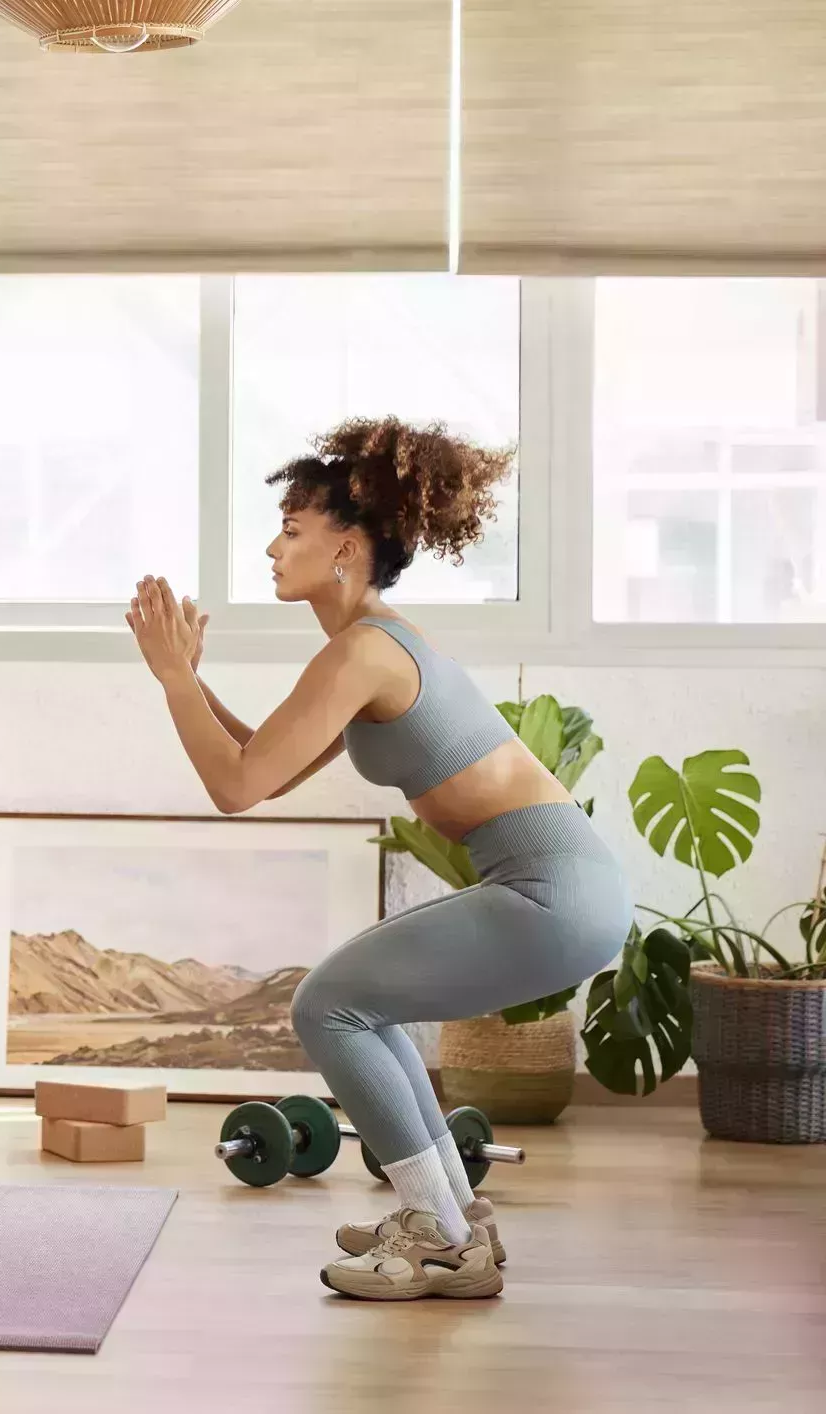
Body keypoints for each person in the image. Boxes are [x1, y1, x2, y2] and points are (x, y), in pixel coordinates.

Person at [126, 415, 632, 1302]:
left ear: (346, 547)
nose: (272, 547)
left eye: (292, 529)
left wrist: (172, 680)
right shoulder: (368, 645)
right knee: (364, 1007)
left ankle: (437, 1234)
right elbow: (265, 767)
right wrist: (189, 681)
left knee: (329, 1004)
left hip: (553, 888)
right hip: (560, 884)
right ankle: (451, 1217)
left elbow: (235, 786)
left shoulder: (365, 651)